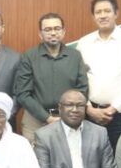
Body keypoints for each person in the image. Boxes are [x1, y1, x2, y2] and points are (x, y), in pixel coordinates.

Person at [76, 0, 121, 150]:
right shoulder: (84, 43)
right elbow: (78, 80)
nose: (102, 15)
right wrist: (88, 108)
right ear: (93, 16)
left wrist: (114, 108)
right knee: (92, 157)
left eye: (107, 11)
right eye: (98, 12)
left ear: (116, 13)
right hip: (91, 113)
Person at [14, 13, 89, 143]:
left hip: (69, 118)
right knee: (36, 156)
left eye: (57, 28)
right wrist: (47, 117)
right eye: (48, 29)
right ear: (40, 34)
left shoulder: (75, 56)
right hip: (35, 120)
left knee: (68, 155)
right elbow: (23, 93)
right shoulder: (29, 56)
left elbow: (82, 89)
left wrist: (67, 115)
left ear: (63, 32)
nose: (53, 33)